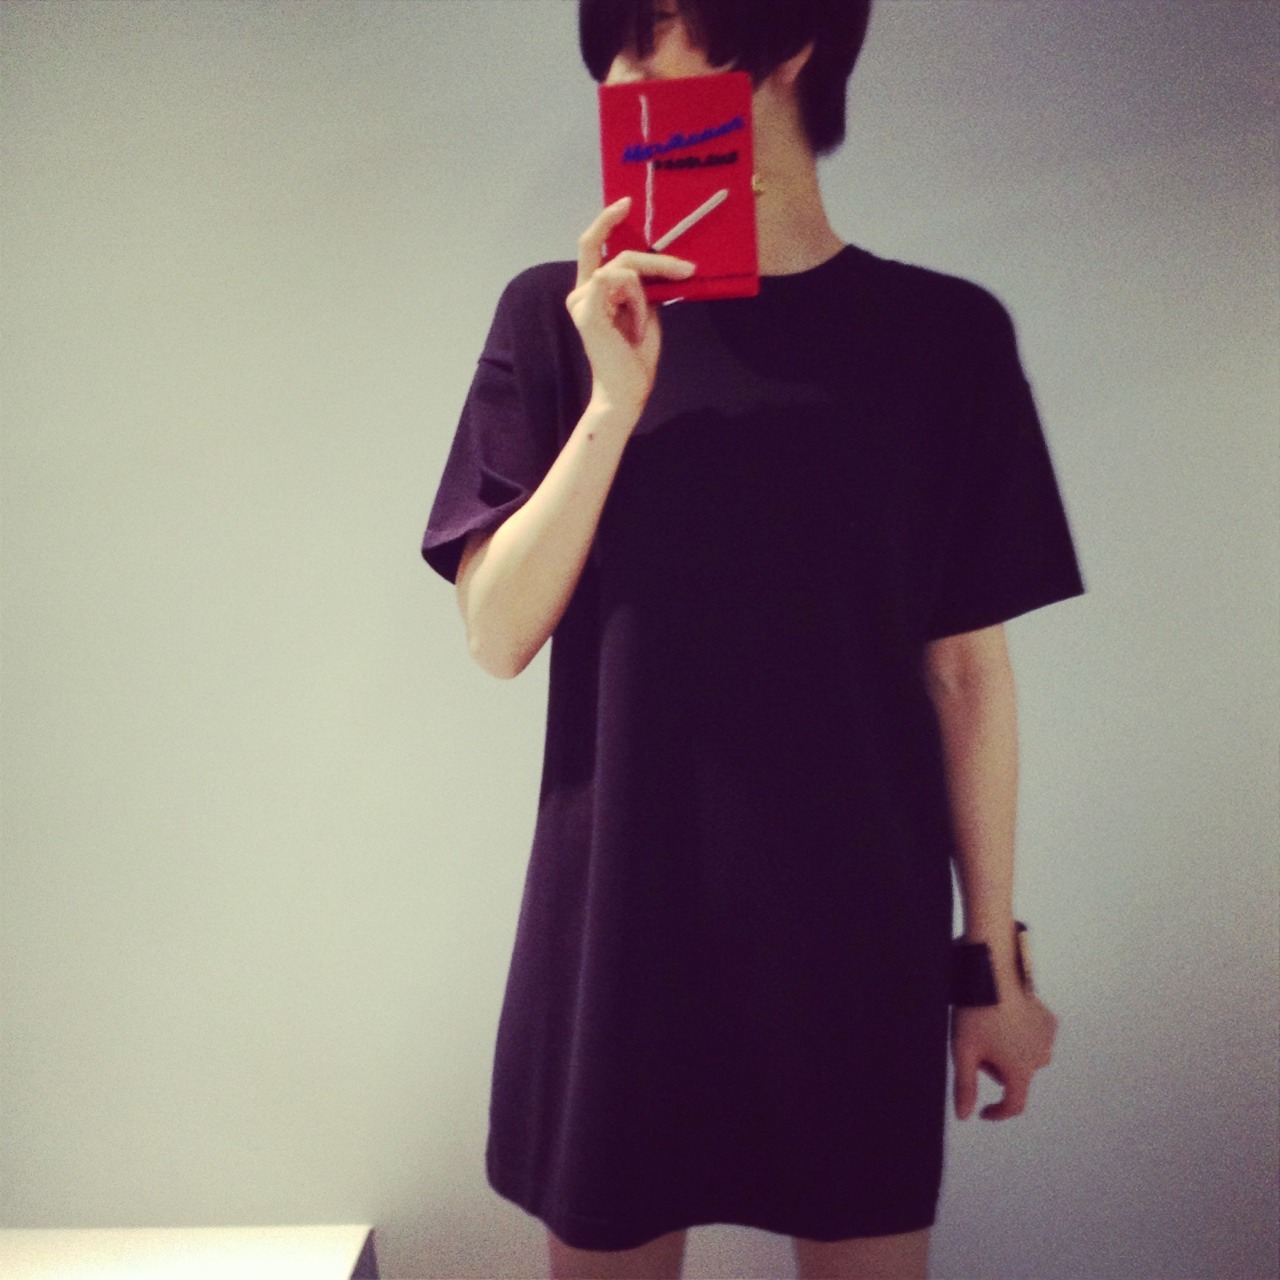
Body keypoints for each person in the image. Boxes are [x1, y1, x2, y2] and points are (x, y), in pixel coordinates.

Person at [421, 1, 1085, 1276]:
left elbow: (964, 673)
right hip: (617, 930)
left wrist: (988, 961)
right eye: (609, 47)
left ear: (786, 44)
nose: (619, 74)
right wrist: (612, 401)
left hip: (855, 932)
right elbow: (496, 632)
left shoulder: (942, 339)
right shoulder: (556, 320)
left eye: (653, 34)